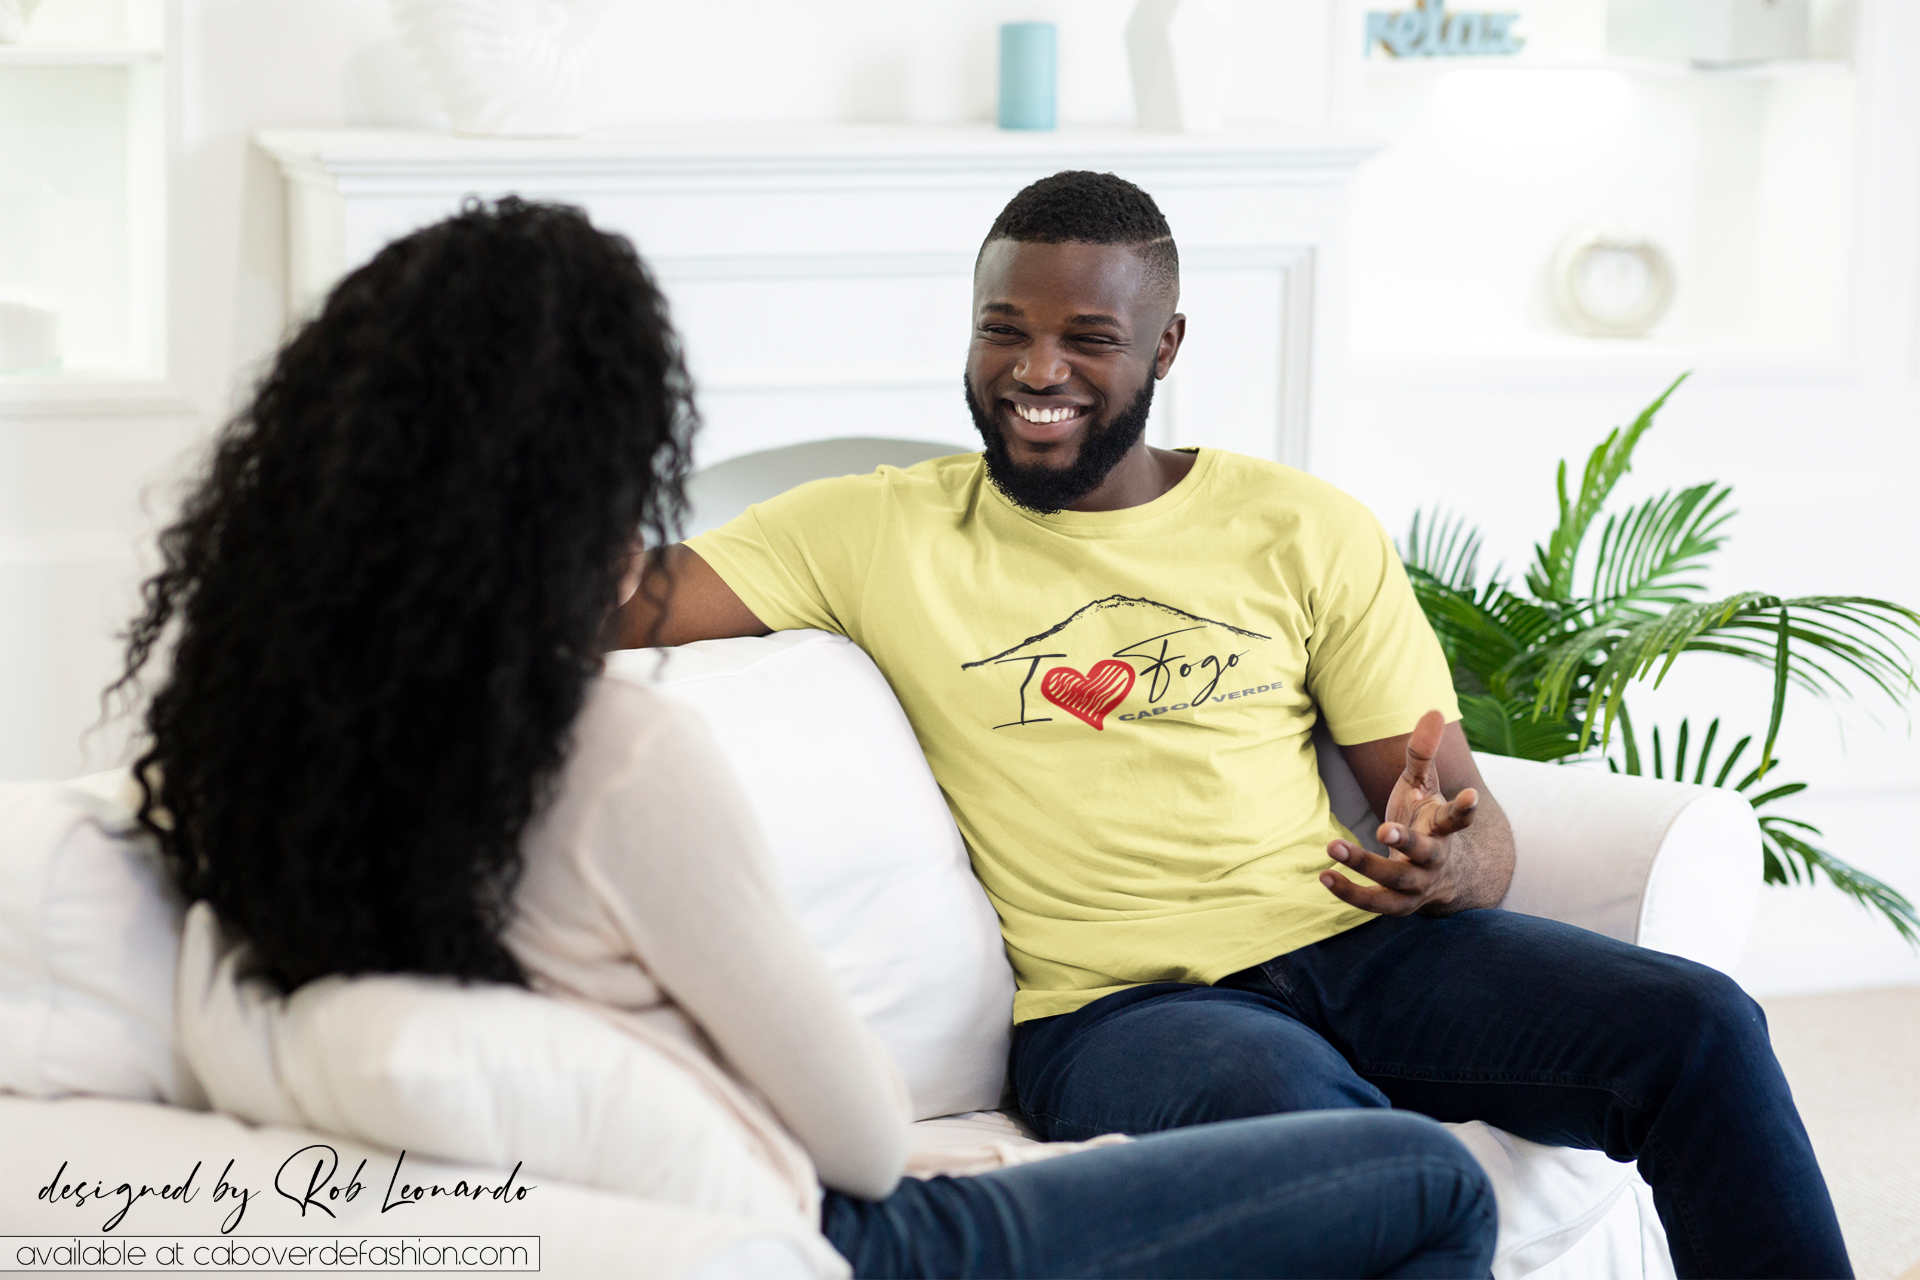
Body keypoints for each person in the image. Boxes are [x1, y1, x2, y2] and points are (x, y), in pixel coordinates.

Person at [113, 197, 1499, 1279]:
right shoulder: (615, 758)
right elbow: (858, 1132)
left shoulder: (270, 751)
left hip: (669, 1205)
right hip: (832, 1231)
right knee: (1425, 1177)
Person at [615, 170, 1855, 1280]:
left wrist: (1444, 863)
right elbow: (611, 601)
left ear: (1166, 344)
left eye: (1088, 337)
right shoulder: (869, 529)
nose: (1037, 369)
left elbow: (1473, 831)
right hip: (1125, 1012)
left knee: (1700, 1025)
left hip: (1358, 947)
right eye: (1005, 328)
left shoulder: (1303, 526)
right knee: (1346, 1149)